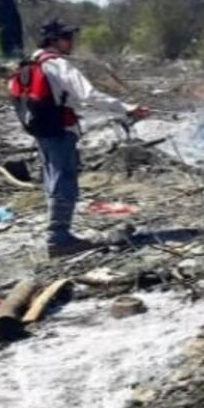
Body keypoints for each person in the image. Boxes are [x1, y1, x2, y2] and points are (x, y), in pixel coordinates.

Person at [27, 19, 149, 257]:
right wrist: (126, 108)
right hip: (60, 130)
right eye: (67, 37)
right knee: (65, 181)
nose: (72, 42)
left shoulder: (32, 62)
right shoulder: (58, 64)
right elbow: (89, 95)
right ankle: (59, 239)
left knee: (53, 180)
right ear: (55, 40)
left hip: (41, 131)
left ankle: (56, 235)